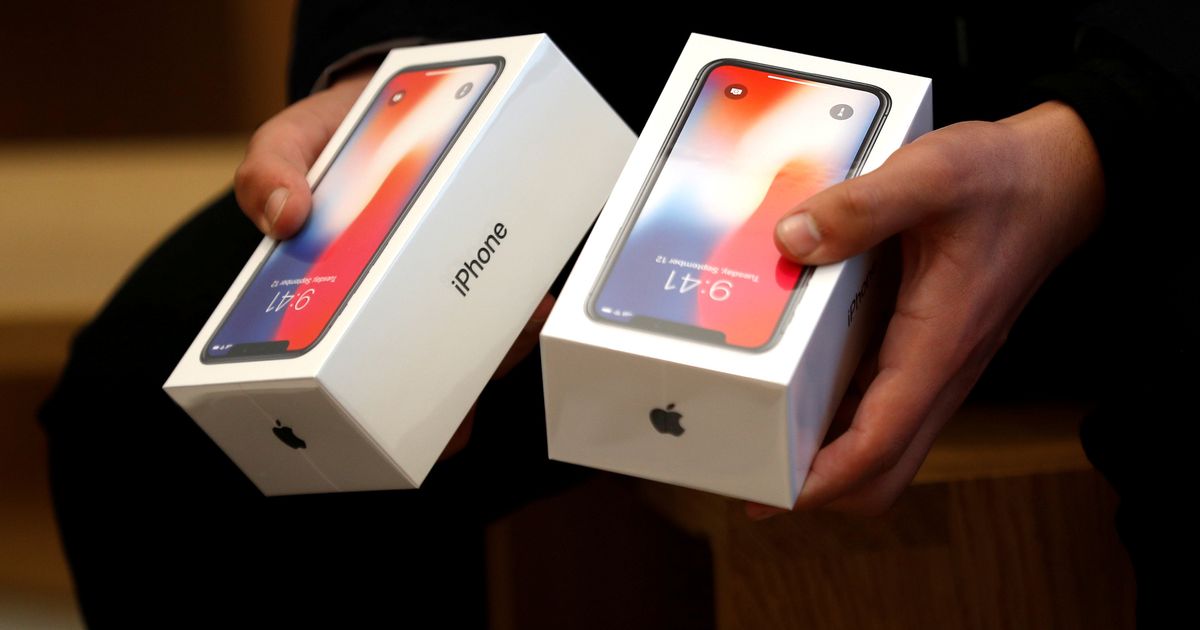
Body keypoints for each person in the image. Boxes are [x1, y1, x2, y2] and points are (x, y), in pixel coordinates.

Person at [39, 2, 1196, 626]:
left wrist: (1119, 119)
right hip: (621, 90)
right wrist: (399, 65)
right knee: (152, 415)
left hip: (1097, 84)